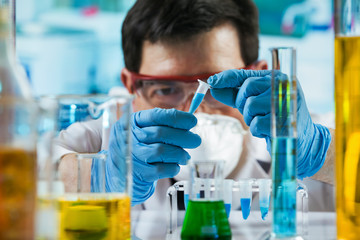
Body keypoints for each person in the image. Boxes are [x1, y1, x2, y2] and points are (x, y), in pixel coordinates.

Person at [56, 0, 334, 211]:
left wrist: (321, 154)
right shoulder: (97, 139)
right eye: (166, 89)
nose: (194, 113)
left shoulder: (304, 137)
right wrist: (99, 178)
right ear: (131, 85)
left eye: (218, 88)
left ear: (258, 75)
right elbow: (23, 179)